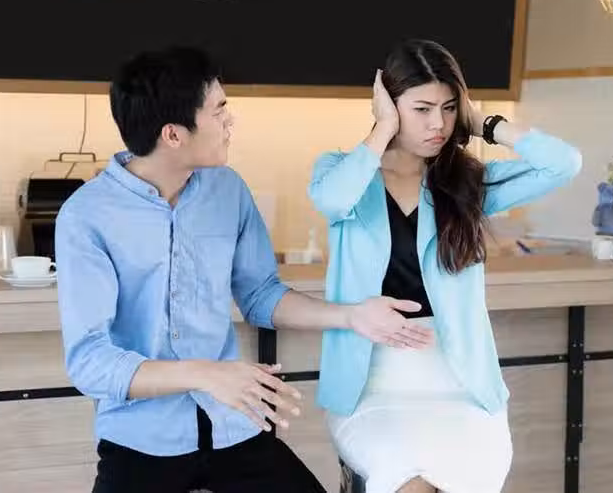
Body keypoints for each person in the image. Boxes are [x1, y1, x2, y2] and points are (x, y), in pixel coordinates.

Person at [54, 46, 434, 493]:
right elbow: (91, 362)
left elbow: (260, 295)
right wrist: (205, 373)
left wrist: (350, 316)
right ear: (174, 135)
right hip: (141, 441)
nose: (230, 121)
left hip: (233, 427)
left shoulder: (228, 189)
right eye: (219, 111)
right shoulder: (86, 216)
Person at [308, 39, 582, 493]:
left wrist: (486, 125)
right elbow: (331, 199)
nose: (438, 123)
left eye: (449, 108)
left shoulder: (468, 184)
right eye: (422, 109)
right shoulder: (345, 173)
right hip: (371, 388)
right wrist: (382, 130)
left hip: (461, 386)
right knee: (411, 484)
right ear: (390, 105)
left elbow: (564, 164)